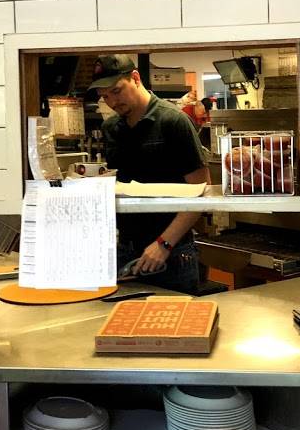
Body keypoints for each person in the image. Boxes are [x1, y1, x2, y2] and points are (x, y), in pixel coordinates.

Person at [90, 55, 211, 293]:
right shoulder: (111, 128)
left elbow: (201, 191)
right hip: (124, 251)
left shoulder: (173, 121)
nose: (112, 101)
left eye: (116, 91)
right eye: (105, 97)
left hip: (171, 254)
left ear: (135, 78)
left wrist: (163, 244)